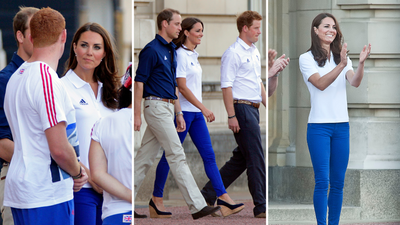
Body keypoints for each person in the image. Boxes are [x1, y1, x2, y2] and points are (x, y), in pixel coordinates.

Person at [152, 17, 245, 218]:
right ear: (186, 32)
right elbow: (182, 87)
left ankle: (223, 197)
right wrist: (203, 108)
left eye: (202, 30)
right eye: (198, 30)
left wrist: (200, 111)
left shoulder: (194, 55)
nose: (201, 34)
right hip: (184, 114)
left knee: (209, 156)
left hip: (195, 116)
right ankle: (156, 200)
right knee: (170, 156)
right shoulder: (180, 55)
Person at [3, 7, 88, 225]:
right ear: (64, 36)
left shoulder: (17, 76)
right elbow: (58, 148)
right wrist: (78, 172)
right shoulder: (46, 78)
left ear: (31, 36)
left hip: (24, 189)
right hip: (45, 191)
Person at [133, 8, 220, 220]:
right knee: (176, 154)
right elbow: (139, 82)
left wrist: (178, 112)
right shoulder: (151, 50)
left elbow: (173, 86)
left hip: (167, 108)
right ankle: (197, 205)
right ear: (165, 24)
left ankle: (124, 200)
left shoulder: (171, 50)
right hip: (154, 107)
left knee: (144, 158)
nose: (180, 28)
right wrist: (136, 114)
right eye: (177, 24)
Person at [299, 13, 371, 225]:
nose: (331, 30)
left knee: (338, 183)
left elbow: (354, 82)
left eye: (334, 27)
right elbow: (320, 84)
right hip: (319, 128)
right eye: (326, 26)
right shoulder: (306, 58)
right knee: (323, 181)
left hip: (341, 127)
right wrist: (341, 64)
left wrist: (360, 64)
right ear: (315, 30)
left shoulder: (343, 57)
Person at [200, 10, 267, 218]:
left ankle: (208, 192)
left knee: (242, 157)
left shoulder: (254, 51)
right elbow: (226, 86)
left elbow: (258, 81)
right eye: (256, 27)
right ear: (245, 28)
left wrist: (268, 105)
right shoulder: (233, 53)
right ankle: (261, 206)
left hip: (253, 109)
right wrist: (231, 115)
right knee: (256, 155)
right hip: (241, 108)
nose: (259, 31)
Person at [61, 22, 119, 225]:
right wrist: (91, 176)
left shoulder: (111, 90)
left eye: (97, 47)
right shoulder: (61, 87)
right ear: (74, 47)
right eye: (84, 45)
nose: (89, 52)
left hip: (114, 189)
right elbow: (59, 141)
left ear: (104, 53)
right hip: (81, 186)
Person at [0, 7, 39, 225]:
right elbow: (2, 144)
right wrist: (45, 161)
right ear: (20, 36)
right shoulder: (5, 80)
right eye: (35, 31)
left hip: (48, 180)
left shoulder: (50, 78)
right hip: (16, 176)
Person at [89, 65, 132, 225]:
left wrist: (129, 195)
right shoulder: (155, 120)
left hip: (115, 212)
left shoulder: (103, 123)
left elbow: (97, 174)